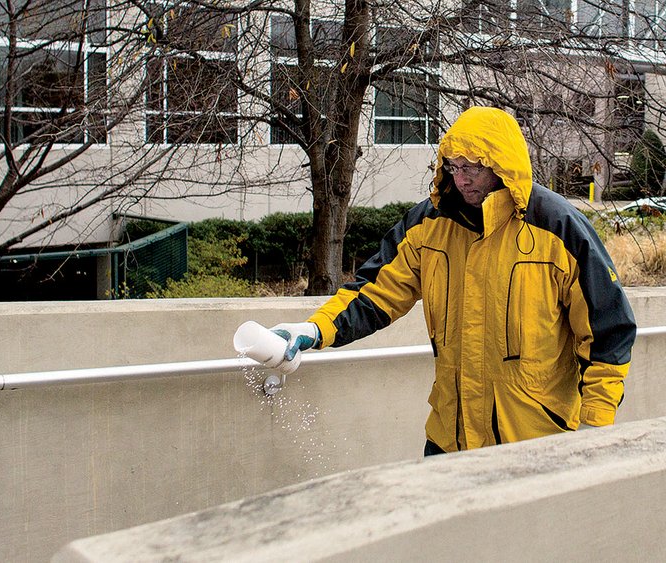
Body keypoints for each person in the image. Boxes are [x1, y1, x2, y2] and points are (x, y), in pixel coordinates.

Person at [266, 106, 637, 455]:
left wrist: (595, 425)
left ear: (500, 165)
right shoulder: (429, 224)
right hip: (450, 439)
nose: (459, 179)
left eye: (471, 168)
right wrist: (313, 330)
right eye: (452, 166)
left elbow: (608, 330)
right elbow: (374, 293)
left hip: (536, 441)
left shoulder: (557, 227)